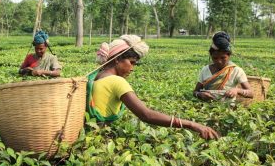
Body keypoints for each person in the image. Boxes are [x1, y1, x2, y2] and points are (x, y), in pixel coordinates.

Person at [87, 35, 219, 140]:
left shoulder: (97, 75)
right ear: (116, 59)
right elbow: (146, 115)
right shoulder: (117, 81)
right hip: (98, 137)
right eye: (131, 63)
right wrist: (192, 124)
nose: (132, 68)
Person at [193, 31, 253, 102]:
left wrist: (237, 90)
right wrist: (199, 94)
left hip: (228, 110)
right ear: (211, 56)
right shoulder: (205, 70)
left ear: (229, 55)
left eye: (223, 58)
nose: (219, 61)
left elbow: (251, 93)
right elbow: (195, 91)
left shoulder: (236, 71)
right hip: (205, 108)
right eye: (215, 58)